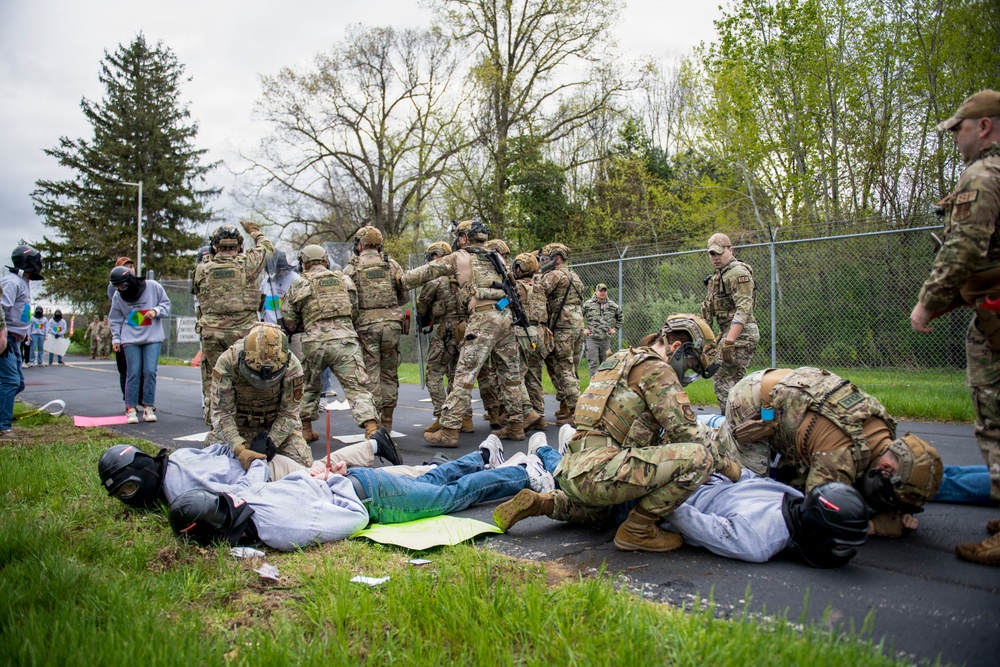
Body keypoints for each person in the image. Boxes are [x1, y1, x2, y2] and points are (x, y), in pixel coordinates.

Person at [492, 314, 743, 553]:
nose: (687, 376)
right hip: (601, 470)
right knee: (700, 458)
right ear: (676, 346)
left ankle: (544, 502)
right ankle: (638, 529)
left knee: (599, 514)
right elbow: (688, 435)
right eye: (690, 367)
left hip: (573, 469)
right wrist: (728, 467)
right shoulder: (657, 369)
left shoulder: (620, 359)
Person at [909, 90, 1000, 566]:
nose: (956, 139)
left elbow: (963, 247)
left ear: (983, 126)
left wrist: (929, 303)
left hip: (996, 316)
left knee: (996, 418)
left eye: (959, 129)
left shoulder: (983, 176)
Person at [166, 448, 553, 551]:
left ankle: (524, 473)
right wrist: (325, 480)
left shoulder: (276, 530)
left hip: (372, 498)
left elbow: (351, 522)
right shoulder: (248, 500)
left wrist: (341, 495)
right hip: (358, 482)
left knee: (449, 496)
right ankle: (481, 457)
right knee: (434, 478)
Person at [716, 367, 943, 537]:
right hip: (753, 403)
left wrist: (895, 507)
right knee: (753, 487)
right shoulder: (838, 456)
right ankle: (712, 443)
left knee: (796, 478)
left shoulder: (884, 427)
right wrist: (879, 526)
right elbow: (821, 518)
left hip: (788, 390)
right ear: (886, 468)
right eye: (890, 497)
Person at [399, 220, 530, 447]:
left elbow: (425, 272)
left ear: (463, 238)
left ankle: (449, 430)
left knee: (463, 376)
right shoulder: (496, 258)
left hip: (482, 317)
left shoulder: (460, 256)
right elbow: (513, 286)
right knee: (510, 376)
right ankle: (516, 426)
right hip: (505, 315)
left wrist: (400, 279)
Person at [97, 434, 407, 510]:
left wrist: (250, 454)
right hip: (264, 470)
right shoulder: (176, 461)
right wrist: (253, 457)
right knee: (324, 470)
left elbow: (241, 492)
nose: (128, 498)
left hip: (268, 476)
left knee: (335, 478)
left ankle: (416, 470)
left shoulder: (179, 483)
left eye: (127, 489)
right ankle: (374, 446)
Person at [282, 244, 380, 442]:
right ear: (326, 261)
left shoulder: (298, 284)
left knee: (309, 386)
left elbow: (289, 319)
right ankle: (371, 428)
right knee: (357, 387)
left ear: (304, 264)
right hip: (345, 341)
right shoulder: (343, 279)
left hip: (314, 342)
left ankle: (306, 429)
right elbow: (354, 308)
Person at [193, 221, 274, 423]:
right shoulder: (248, 263)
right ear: (239, 245)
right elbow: (267, 247)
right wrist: (254, 231)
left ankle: (215, 424)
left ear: (214, 247)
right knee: (247, 378)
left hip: (212, 333)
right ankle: (247, 424)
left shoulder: (202, 269)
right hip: (243, 333)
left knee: (215, 379)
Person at [209, 322, 312, 466]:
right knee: (211, 462)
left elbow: (289, 413)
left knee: (303, 462)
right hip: (237, 427)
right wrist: (239, 448)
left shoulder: (292, 367)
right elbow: (222, 412)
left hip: (275, 426)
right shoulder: (227, 362)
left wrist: (271, 442)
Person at [342, 226, 408, 431]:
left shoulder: (351, 268)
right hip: (392, 325)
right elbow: (404, 296)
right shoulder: (392, 264)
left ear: (359, 244)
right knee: (389, 373)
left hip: (366, 326)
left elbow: (349, 301)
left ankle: (375, 423)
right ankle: (388, 420)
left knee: (371, 374)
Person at [415, 241, 474, 434]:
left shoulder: (435, 281)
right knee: (459, 376)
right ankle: (465, 417)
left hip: (445, 331)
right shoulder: (466, 277)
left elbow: (421, 305)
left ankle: (442, 415)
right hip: (466, 330)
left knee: (434, 373)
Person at [700, 233, 759, 413]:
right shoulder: (717, 277)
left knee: (723, 379)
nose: (716, 258)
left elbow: (743, 309)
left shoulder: (738, 273)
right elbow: (708, 310)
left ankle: (733, 424)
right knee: (731, 381)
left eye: (719, 253)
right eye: (712, 254)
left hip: (742, 334)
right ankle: (743, 421)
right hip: (728, 333)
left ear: (730, 250)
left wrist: (730, 340)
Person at [108, 265, 171, 424]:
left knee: (150, 371)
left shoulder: (153, 287)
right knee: (133, 372)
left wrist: (156, 311)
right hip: (130, 339)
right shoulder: (118, 296)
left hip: (152, 338)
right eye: (117, 287)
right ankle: (131, 408)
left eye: (123, 285)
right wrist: (116, 339)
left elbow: (166, 305)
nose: (120, 289)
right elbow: (115, 318)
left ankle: (148, 406)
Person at [537, 243, 586, 426]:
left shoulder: (554, 275)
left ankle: (576, 411)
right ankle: (566, 405)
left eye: (547, 259)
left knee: (565, 369)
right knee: (571, 369)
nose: (544, 262)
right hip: (577, 326)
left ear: (557, 259)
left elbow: (537, 291)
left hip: (563, 328)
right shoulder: (575, 275)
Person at [1, 245, 43, 439]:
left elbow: (21, 311)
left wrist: (24, 332)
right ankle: (3, 427)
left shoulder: (23, 281)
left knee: (18, 384)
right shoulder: (11, 282)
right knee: (10, 381)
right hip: (5, 338)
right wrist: (2, 334)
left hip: (16, 338)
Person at [512, 252, 552, 430]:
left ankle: (528, 412)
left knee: (515, 375)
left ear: (519, 268)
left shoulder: (517, 287)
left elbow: (505, 306)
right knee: (534, 376)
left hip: (523, 333)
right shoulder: (540, 287)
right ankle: (540, 415)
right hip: (540, 333)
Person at [109, 258, 141, 403]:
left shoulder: (140, 285)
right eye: (126, 267)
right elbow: (121, 314)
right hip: (124, 333)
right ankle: (128, 398)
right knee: (125, 369)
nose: (131, 269)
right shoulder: (115, 287)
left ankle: (140, 397)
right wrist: (139, 318)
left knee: (142, 369)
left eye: (131, 266)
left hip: (140, 333)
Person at [582, 283, 623, 374]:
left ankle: (604, 386)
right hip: (592, 339)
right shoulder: (588, 304)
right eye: (600, 291)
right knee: (593, 363)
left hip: (605, 340)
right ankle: (593, 386)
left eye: (604, 291)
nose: (602, 293)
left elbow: (620, 318)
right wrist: (583, 330)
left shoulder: (612, 305)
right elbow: (578, 317)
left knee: (606, 364)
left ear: (607, 292)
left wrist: (615, 329)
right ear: (596, 292)